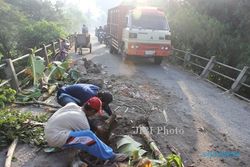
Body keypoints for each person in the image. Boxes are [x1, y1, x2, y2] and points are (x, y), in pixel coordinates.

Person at [44, 97, 128, 162]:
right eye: (95, 113)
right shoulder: (81, 119)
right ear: (91, 110)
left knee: (83, 135)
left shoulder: (72, 105)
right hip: (54, 138)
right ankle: (111, 156)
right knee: (88, 136)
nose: (94, 115)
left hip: (49, 131)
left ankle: (67, 145)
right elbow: (91, 139)